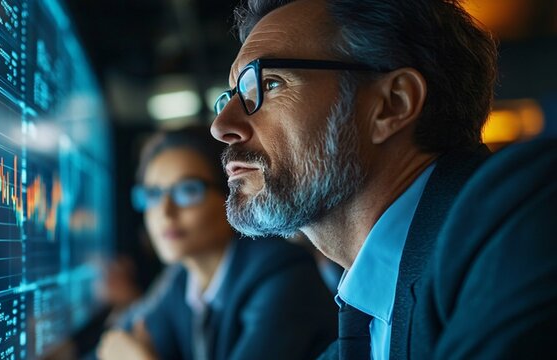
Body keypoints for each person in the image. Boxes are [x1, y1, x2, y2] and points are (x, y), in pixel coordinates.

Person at [211, 0, 557, 358]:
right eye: (231, 96)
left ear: (393, 103)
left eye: (268, 83)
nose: (221, 126)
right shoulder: (347, 345)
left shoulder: (521, 213)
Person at [97, 125, 336, 360]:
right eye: (153, 195)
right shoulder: (182, 279)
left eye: (188, 191)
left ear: (232, 196)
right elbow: (120, 340)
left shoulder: (283, 274)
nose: (165, 212)